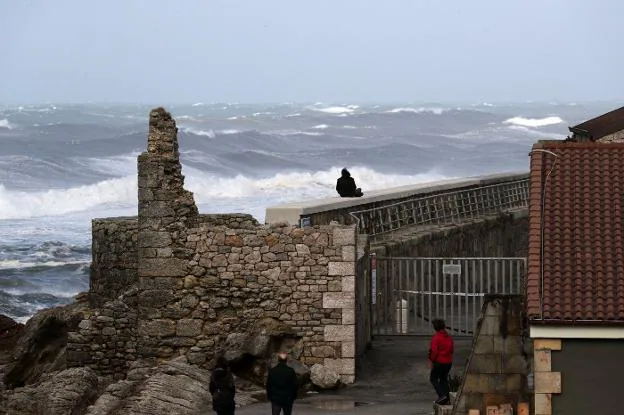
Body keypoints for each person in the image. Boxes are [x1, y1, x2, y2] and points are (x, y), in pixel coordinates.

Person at [428, 318, 454, 405]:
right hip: (448, 362)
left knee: (433, 379)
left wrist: (432, 360)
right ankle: (447, 398)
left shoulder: (436, 338)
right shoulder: (449, 337)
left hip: (439, 362)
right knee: (443, 379)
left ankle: (442, 396)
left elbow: (434, 351)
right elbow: (452, 350)